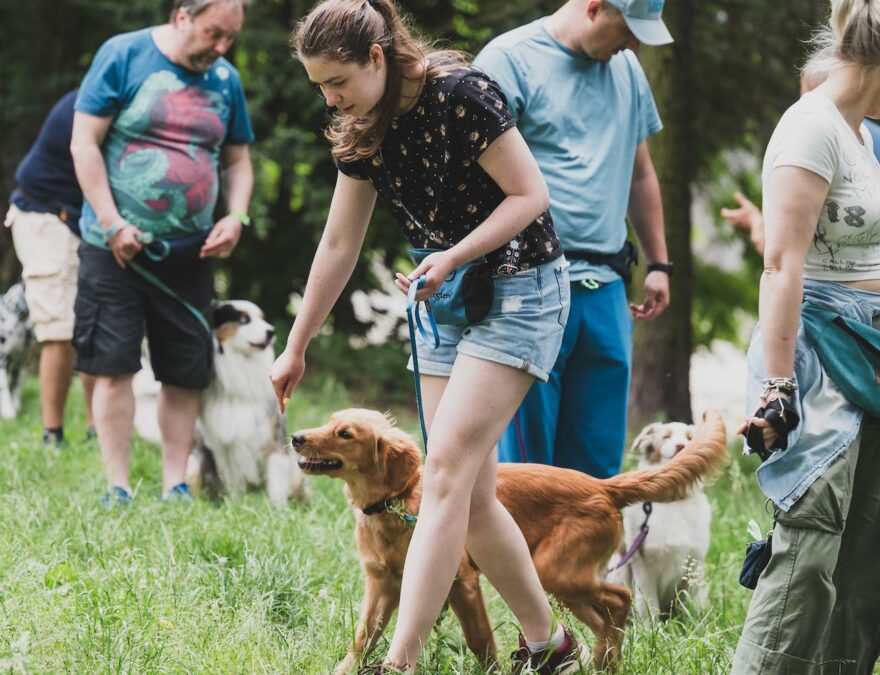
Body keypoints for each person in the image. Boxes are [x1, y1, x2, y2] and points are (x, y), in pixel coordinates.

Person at [271, 1, 577, 671]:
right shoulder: (363, 128)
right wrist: (296, 344)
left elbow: (530, 195)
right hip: (447, 295)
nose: (330, 98)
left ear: (377, 57)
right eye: (319, 84)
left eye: (338, 81)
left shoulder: (463, 95)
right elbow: (339, 241)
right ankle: (549, 646)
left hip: (522, 288)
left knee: (441, 475)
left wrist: (456, 252)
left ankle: (399, 662)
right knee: (466, 493)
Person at [730, 0, 880, 672]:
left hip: (879, 364)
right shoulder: (810, 129)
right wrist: (779, 385)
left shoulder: (861, 135)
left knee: (871, 563)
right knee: (810, 549)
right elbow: (782, 264)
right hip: (819, 364)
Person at [476, 0, 673, 480]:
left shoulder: (627, 69)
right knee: (527, 470)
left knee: (598, 478)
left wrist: (659, 263)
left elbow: (642, 173)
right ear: (594, 8)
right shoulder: (509, 61)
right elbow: (472, 178)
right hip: (530, 286)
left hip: (606, 289)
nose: (634, 45)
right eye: (628, 30)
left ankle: (592, 559)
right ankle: (519, 558)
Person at [70, 0, 254, 505]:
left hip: (190, 253)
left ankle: (176, 484)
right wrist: (111, 223)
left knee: (184, 369)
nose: (221, 48)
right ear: (182, 16)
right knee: (112, 364)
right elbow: (84, 143)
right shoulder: (123, 55)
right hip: (115, 250)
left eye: (230, 39)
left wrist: (235, 217)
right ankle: (118, 486)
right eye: (214, 33)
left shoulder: (225, 79)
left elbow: (237, 160)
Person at [724, 73, 880, 290]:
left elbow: (787, 256)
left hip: (838, 300)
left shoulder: (809, 134)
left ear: (811, 89)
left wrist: (756, 223)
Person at [5, 89, 97, 446]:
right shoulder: (92, 101)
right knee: (60, 326)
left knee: (94, 327)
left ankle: (95, 429)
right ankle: (52, 434)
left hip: (83, 221)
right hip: (45, 214)